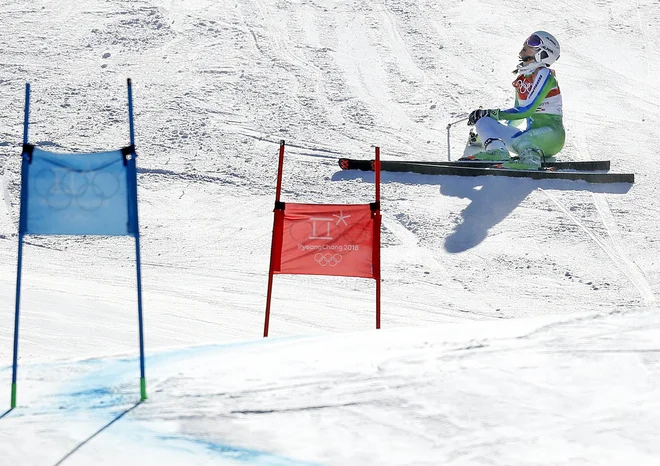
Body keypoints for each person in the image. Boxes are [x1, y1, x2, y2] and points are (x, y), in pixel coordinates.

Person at [463, 31, 565, 169]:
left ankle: (531, 161)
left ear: (543, 53)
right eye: (528, 38)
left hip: (551, 137)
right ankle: (497, 152)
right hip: (530, 138)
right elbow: (516, 118)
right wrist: (484, 133)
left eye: (533, 41)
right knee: (483, 121)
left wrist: (493, 113)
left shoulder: (544, 74)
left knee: (522, 138)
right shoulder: (522, 79)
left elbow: (527, 111)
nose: (526, 42)